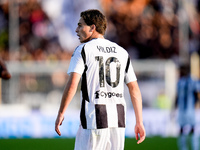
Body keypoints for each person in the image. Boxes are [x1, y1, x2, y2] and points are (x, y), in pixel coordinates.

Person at [55, 9, 145, 150]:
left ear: (92, 28)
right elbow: (134, 88)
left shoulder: (83, 49)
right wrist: (139, 121)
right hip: (118, 122)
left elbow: (73, 84)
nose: (76, 30)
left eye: (80, 25)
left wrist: (61, 113)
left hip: (94, 120)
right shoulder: (122, 52)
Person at [175, 64, 200, 150]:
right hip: (184, 109)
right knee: (183, 128)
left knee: (191, 128)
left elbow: (196, 93)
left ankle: (192, 147)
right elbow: (177, 96)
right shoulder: (182, 81)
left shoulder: (191, 81)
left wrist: (196, 103)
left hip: (189, 109)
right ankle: (186, 147)